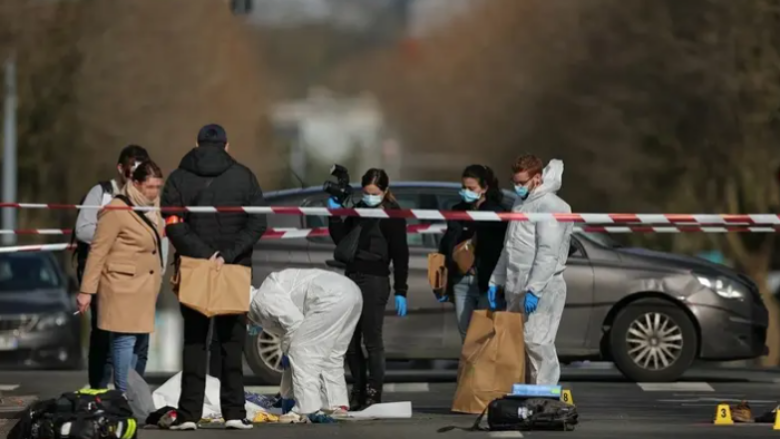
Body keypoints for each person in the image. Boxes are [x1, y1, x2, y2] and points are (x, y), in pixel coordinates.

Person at [161, 124, 267, 431]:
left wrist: (202, 253)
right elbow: (257, 222)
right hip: (234, 269)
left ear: (196, 144)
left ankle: (189, 414)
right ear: (227, 145)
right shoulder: (245, 176)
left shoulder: (179, 178)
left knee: (194, 343)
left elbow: (172, 223)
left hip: (194, 268)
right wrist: (228, 253)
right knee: (231, 344)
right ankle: (233, 412)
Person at [75, 160, 166, 395]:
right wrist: (87, 291)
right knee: (124, 340)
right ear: (135, 184)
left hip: (144, 287)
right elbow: (98, 251)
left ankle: (131, 393)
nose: (155, 192)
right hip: (120, 285)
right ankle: (123, 393)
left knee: (138, 343)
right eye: (150, 187)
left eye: (158, 187)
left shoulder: (153, 209)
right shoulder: (116, 210)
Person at [328, 168, 409, 411]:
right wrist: (334, 215)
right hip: (351, 277)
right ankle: (358, 389)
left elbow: (400, 254)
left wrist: (401, 290)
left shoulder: (392, 215)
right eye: (366, 192)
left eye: (374, 193)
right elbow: (342, 240)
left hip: (375, 280)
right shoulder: (358, 210)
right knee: (350, 341)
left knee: (372, 340)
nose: (369, 197)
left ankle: (374, 391)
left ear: (384, 192)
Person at [488, 156, 573, 385]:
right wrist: (496, 280)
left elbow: (548, 252)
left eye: (522, 182)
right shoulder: (521, 202)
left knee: (538, 342)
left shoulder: (552, 206)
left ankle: (544, 395)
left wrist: (535, 289)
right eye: (514, 181)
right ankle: (525, 394)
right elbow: (510, 247)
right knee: (518, 343)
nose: (517, 187)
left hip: (544, 286)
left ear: (537, 178)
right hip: (517, 283)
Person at [248, 269, 362, 423]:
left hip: (329, 295)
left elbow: (294, 325)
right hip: (350, 292)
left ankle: (305, 408)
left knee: (302, 350)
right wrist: (286, 391)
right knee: (331, 353)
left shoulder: (261, 300)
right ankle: (335, 404)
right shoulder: (265, 295)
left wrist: (288, 351)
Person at [438, 165, 508, 340]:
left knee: (484, 334)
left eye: (471, 188)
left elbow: (502, 248)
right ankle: (472, 368)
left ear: (484, 189)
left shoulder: (497, 213)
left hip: (486, 281)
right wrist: (443, 278)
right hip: (461, 280)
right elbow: (447, 243)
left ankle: (484, 368)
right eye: (464, 188)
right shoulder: (457, 211)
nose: (466, 192)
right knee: (466, 333)